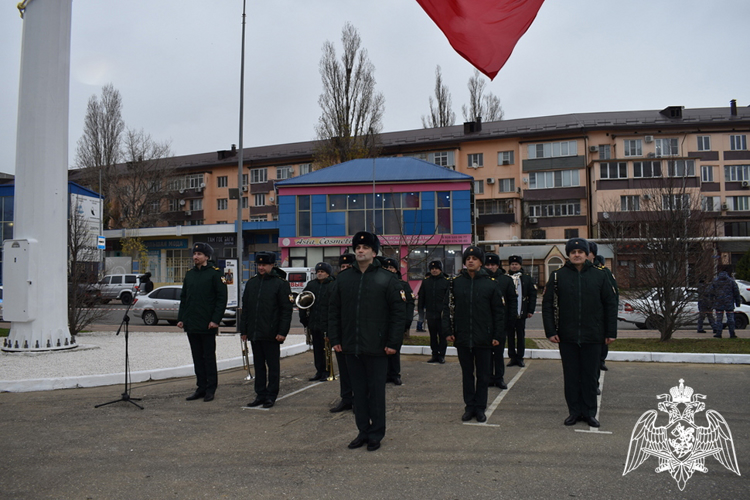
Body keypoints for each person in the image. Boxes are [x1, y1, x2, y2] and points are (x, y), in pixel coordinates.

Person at [328, 232, 406, 451]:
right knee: (358, 394)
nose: (360, 250)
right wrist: (335, 338)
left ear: (374, 252)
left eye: (365, 247)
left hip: (378, 347)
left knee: (376, 394)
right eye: (357, 247)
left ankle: (376, 434)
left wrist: (393, 343)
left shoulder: (386, 279)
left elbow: (398, 314)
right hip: (351, 346)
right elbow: (333, 311)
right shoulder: (343, 279)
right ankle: (362, 431)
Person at [542, 238, 617, 428]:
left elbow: (610, 304)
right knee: (571, 376)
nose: (577, 254)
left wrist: (610, 331)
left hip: (594, 335)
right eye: (573, 252)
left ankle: (590, 413)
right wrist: (551, 331)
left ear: (587, 254)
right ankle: (574, 412)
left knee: (591, 377)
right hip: (567, 336)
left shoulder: (600, 275)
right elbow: (548, 304)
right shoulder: (558, 276)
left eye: (580, 252)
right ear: (568, 254)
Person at [443, 246, 504, 423]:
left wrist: (496, 336)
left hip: (483, 338)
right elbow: (447, 308)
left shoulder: (491, 284)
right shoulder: (455, 283)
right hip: (462, 337)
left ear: (481, 262)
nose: (470, 260)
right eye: (468, 258)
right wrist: (448, 331)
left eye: (474, 258)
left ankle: (480, 408)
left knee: (483, 375)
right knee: (467, 374)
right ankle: (469, 406)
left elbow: (498, 313)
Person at [241, 252, 293, 408]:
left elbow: (286, 310)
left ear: (272, 265)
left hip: (272, 333)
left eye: (264, 265)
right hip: (255, 332)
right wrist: (244, 330)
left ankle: (271, 395)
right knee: (258, 366)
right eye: (259, 265)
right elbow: (247, 309)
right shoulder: (251, 283)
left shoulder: (281, 284)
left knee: (273, 366)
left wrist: (282, 332)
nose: (261, 268)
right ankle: (260, 394)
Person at [177, 242, 228, 403]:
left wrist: (215, 320)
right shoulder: (190, 274)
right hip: (192, 323)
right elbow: (184, 298)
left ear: (206, 257)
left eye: (199, 254)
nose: (195, 257)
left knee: (208, 357)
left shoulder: (215, 274)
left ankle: (211, 388)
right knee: (197, 357)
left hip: (207, 324)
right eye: (194, 254)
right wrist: (181, 318)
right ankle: (200, 387)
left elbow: (221, 299)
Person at [483, 253, 516, 390]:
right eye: (488, 265)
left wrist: (512, 319)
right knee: (486, 353)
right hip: (485, 323)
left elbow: (512, 301)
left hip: (501, 322)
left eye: (494, 265)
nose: (491, 267)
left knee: (498, 352)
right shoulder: (482, 279)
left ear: (498, 265)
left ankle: (499, 378)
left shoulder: (506, 280)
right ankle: (489, 377)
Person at [329, 253, 356, 413]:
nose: (345, 269)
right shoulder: (337, 284)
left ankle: (358, 401)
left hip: (357, 334)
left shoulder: (360, 282)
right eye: (343, 267)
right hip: (342, 335)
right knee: (344, 371)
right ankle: (346, 399)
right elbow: (332, 312)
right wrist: (334, 337)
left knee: (358, 372)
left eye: (348, 266)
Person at [299, 262, 335, 382]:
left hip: (327, 322)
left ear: (327, 273)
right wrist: (303, 318)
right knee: (317, 349)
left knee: (326, 349)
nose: (319, 274)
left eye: (322, 272)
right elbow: (303, 301)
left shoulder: (332, 284)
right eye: (318, 272)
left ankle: (327, 371)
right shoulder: (311, 284)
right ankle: (319, 371)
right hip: (314, 322)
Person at [383, 257, 414, 385]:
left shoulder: (403, 285)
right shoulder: (380, 284)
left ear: (396, 270)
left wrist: (407, 322)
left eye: (391, 267)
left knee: (395, 349)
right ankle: (384, 374)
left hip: (397, 323)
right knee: (383, 350)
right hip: (383, 323)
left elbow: (409, 304)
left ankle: (395, 374)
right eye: (386, 267)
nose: (388, 270)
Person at [506, 255, 536, 370]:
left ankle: (520, 358)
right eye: (512, 264)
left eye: (516, 264)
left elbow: (532, 295)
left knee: (520, 335)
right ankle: (512, 357)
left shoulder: (526, 278)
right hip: (509, 313)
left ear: (520, 265)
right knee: (510, 336)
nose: (514, 266)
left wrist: (530, 310)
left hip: (521, 311)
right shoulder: (506, 278)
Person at [417, 260, 450, 363]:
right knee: (433, 335)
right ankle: (434, 354)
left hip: (442, 314)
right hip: (431, 313)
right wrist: (421, 310)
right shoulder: (426, 282)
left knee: (442, 335)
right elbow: (421, 296)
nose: (434, 270)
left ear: (440, 269)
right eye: (432, 269)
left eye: (436, 269)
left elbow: (449, 298)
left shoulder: (446, 281)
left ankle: (442, 355)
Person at [590, 248, 617, 374]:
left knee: (600, 346)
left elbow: (612, 296)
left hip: (599, 318)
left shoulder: (603, 273)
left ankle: (601, 362)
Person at [710, 267, 741, 338]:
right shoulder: (731, 281)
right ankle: (732, 333)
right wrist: (737, 302)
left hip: (718, 303)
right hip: (729, 303)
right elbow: (736, 292)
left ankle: (718, 333)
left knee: (719, 319)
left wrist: (711, 302)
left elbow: (711, 292)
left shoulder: (715, 281)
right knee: (730, 319)